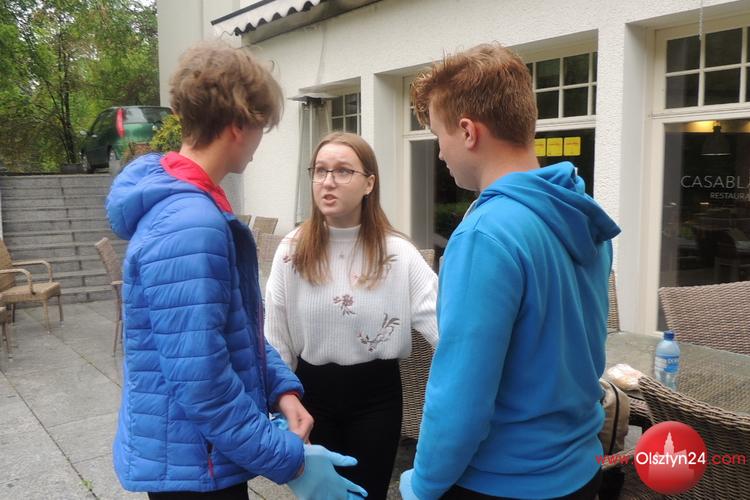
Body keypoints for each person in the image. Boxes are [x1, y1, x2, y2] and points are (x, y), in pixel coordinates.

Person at [106, 41, 365, 500]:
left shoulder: (192, 205)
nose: (260, 143)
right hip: (195, 466)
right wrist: (290, 462)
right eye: (262, 126)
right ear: (239, 125)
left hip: (199, 455)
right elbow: (202, 381)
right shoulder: (192, 223)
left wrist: (281, 389)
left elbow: (232, 329)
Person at [399, 43, 621, 500]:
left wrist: (422, 485)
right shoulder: (581, 212)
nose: (439, 153)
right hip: (581, 469)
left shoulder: (485, 234)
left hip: (503, 481)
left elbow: (461, 395)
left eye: (438, 135)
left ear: (467, 132)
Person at [264, 132, 439, 500]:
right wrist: (280, 403)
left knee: (367, 494)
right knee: (320, 496)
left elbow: (445, 327)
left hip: (377, 398)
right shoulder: (292, 251)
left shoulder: (398, 253)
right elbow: (275, 340)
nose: (328, 181)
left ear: (369, 183)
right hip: (309, 397)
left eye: (343, 171)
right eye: (320, 170)